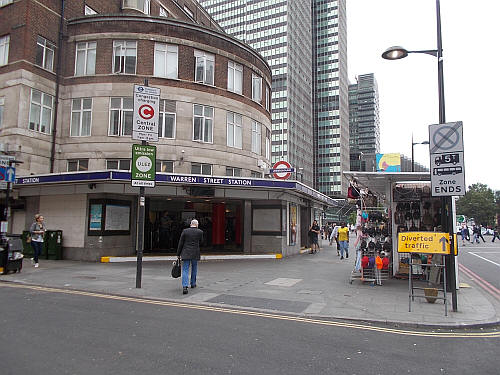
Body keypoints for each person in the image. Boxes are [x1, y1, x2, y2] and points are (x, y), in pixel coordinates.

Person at [176, 219, 204, 295]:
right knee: (194, 268)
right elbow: (202, 242)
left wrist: (178, 254)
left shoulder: (185, 231)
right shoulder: (200, 232)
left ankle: (185, 286)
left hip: (186, 252)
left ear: (190, 224)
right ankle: (193, 283)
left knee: (185, 269)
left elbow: (180, 243)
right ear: (197, 225)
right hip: (195, 253)